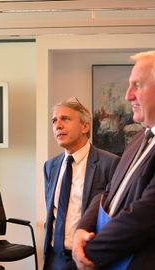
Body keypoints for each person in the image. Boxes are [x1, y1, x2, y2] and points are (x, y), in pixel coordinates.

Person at [72, 49, 155, 270]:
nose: (128, 95)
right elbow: (108, 192)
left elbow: (146, 216)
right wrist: (81, 230)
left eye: (137, 85)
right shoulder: (142, 136)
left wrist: (87, 252)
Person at [43, 98, 119, 270]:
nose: (58, 125)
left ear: (85, 127)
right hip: (55, 259)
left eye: (65, 119)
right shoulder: (50, 166)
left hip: (90, 259)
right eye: (54, 120)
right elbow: (52, 214)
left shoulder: (110, 164)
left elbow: (115, 217)